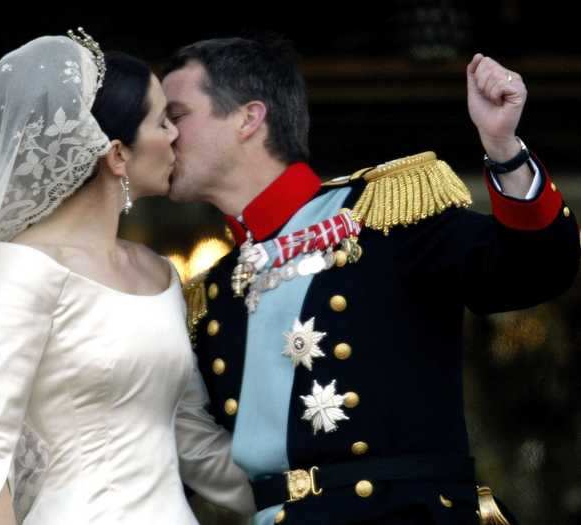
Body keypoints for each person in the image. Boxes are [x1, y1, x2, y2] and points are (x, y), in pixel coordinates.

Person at [163, 36, 580, 524]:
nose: (164, 133)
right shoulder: (211, 294)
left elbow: (536, 269)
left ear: (248, 119)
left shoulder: (386, 214)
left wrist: (504, 151)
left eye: (177, 115)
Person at [0, 30, 254, 525]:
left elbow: (189, 433)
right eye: (163, 121)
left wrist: (302, 499)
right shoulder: (21, 269)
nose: (177, 135)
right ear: (117, 154)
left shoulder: (157, 272)